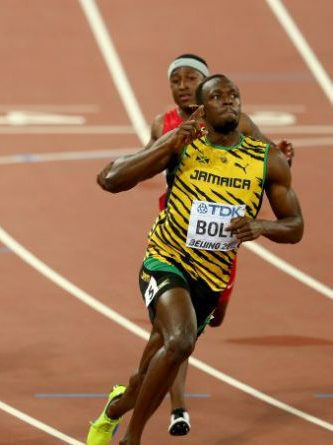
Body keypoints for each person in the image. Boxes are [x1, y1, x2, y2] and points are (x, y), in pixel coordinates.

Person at [87, 75, 303, 445]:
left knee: (153, 370)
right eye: (218, 96)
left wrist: (261, 224)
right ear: (202, 109)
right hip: (166, 260)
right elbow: (110, 179)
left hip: (211, 278)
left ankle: (114, 409)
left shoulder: (265, 160)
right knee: (181, 340)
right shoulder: (185, 145)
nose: (229, 101)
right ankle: (131, 440)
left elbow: (295, 225)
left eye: (233, 95)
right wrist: (169, 142)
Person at [145, 54, 295, 436]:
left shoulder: (236, 121)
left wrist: (283, 160)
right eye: (174, 79)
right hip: (176, 238)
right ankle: (176, 408)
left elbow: (265, 161)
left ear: (205, 84)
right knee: (177, 331)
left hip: (221, 240)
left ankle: (141, 379)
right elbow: (149, 162)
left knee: (206, 321)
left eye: (189, 78)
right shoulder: (164, 124)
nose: (181, 85)